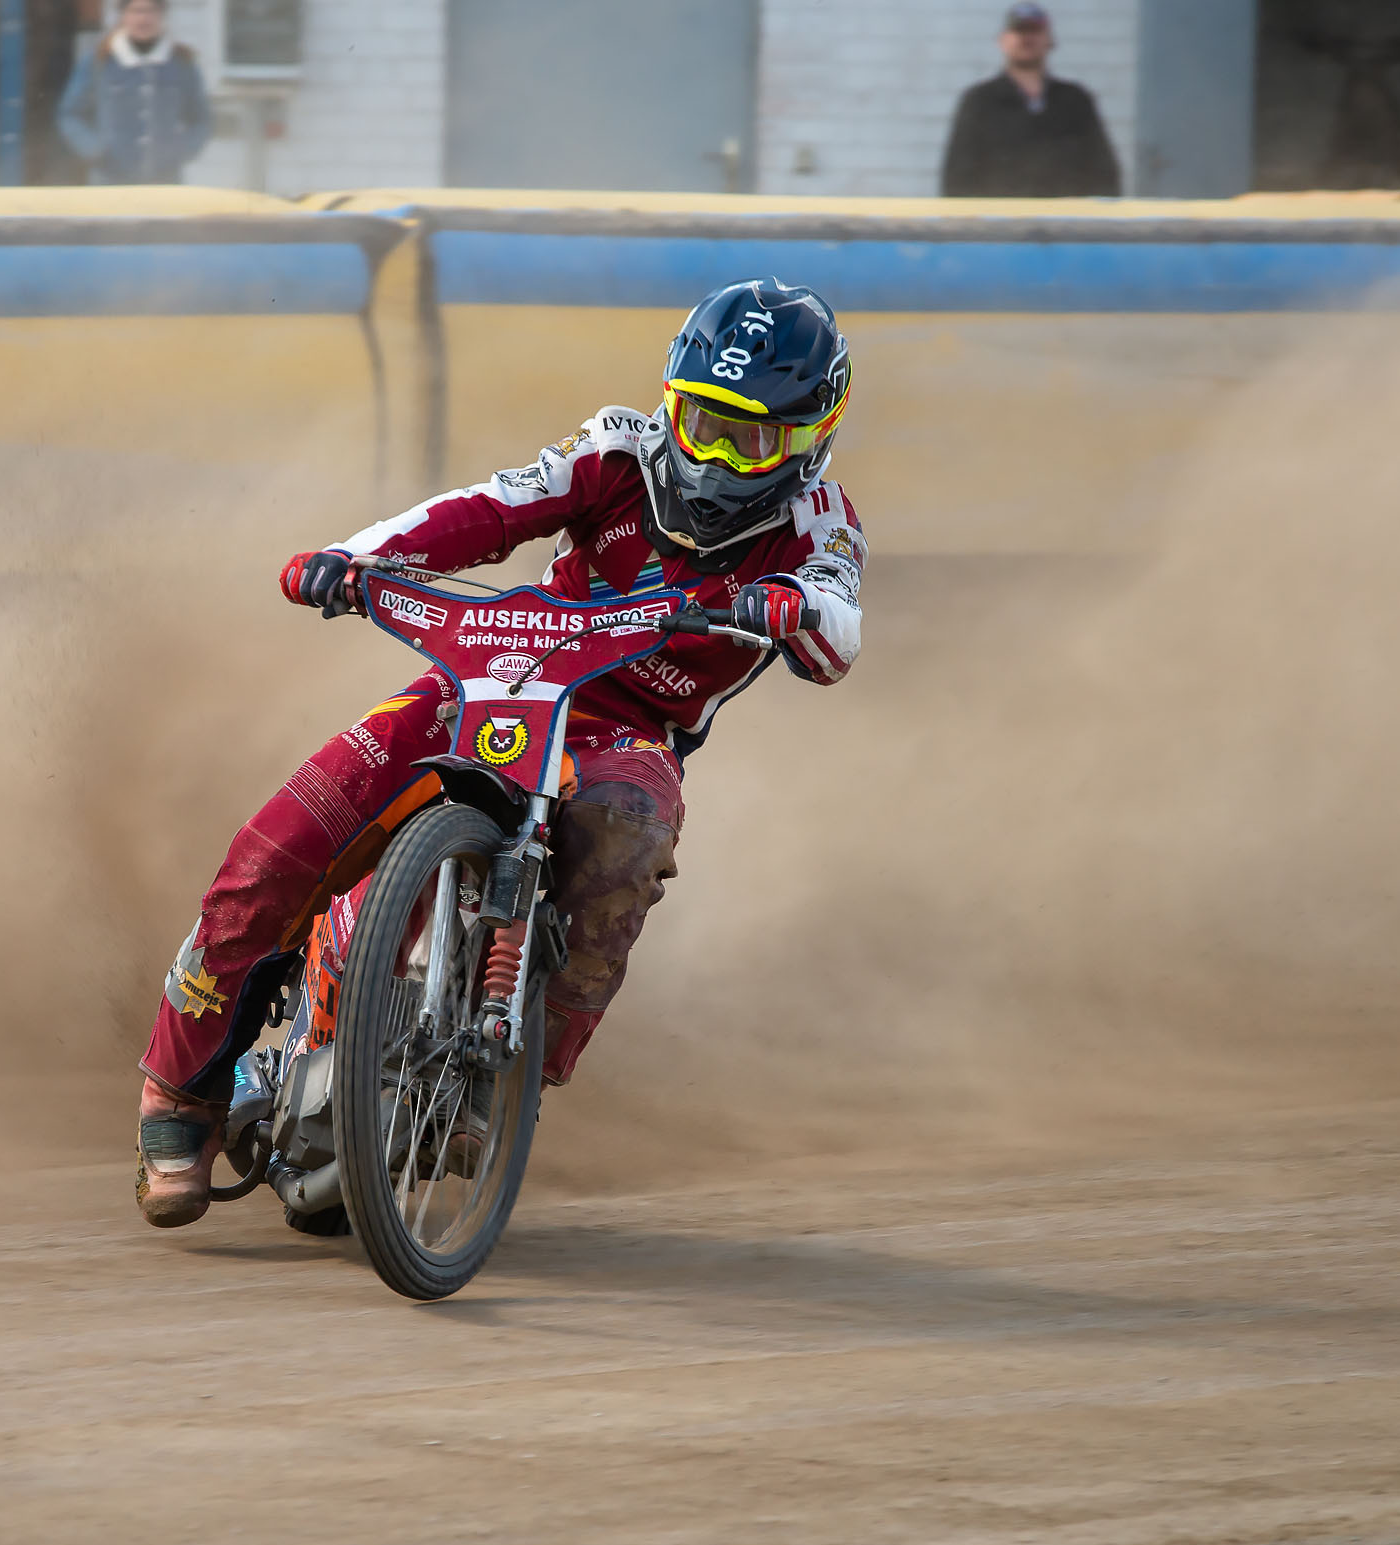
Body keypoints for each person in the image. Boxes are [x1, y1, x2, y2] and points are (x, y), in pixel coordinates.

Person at [134, 279, 867, 1229]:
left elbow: (838, 632)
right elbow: (488, 507)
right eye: (699, 422)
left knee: (631, 832)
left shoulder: (821, 523)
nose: (714, 456)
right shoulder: (615, 450)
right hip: (492, 680)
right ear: (668, 402)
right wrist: (354, 557)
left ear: (812, 437)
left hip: (627, 734)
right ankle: (178, 1092)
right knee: (279, 842)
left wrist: (794, 606)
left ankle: (507, 1072)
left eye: (749, 439)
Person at [940, 3, 1122, 198]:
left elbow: (1104, 171)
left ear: (1049, 41)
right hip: (999, 215)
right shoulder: (979, 102)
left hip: (1065, 216)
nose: (1027, 38)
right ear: (1002, 40)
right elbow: (957, 175)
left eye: (1034, 31)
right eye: (1019, 31)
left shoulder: (1076, 101)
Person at [55, 0, 212, 187]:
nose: (143, 18)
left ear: (162, 15)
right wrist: (93, 149)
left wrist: (183, 150)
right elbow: (70, 114)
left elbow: (201, 119)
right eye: (136, 11)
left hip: (164, 181)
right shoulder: (98, 62)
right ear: (123, 15)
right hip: (110, 180)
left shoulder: (181, 63)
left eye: (151, 11)